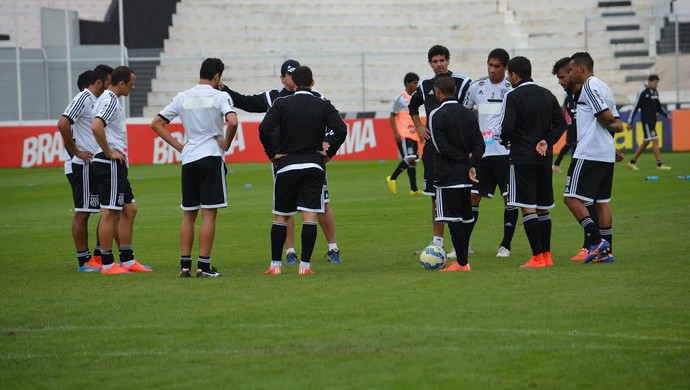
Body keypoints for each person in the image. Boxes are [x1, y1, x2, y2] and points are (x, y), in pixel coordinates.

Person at [221, 59, 344, 265]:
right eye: (288, 74)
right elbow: (246, 102)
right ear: (283, 78)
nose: (291, 77)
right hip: (283, 162)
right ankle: (290, 252)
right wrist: (225, 90)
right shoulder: (273, 97)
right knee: (286, 209)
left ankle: (333, 248)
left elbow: (335, 126)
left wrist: (326, 144)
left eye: (295, 73)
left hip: (309, 159)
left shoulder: (317, 98)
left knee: (322, 204)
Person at [150, 58, 239, 278]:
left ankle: (185, 266)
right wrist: (226, 143)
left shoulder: (183, 96)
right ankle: (204, 266)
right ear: (217, 76)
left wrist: (180, 146)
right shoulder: (219, 95)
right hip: (210, 155)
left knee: (188, 214)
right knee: (209, 214)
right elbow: (233, 122)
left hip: (189, 157)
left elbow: (156, 123)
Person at [258, 66, 347, 275]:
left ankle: (275, 265)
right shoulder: (323, 104)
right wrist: (330, 152)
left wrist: (272, 153)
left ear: (294, 84)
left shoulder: (281, 103)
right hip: (314, 165)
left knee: (280, 216)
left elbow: (263, 129)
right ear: (313, 83)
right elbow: (341, 128)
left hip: (287, 165)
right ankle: (305, 267)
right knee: (309, 216)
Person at [499, 56, 566, 268]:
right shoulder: (547, 94)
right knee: (543, 208)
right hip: (544, 158)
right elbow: (561, 123)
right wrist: (547, 140)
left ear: (514, 75)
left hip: (521, 158)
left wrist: (506, 141)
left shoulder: (513, 96)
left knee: (527, 208)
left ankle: (537, 257)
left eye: (509, 74)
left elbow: (507, 127)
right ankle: (547, 256)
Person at [408, 44, 472, 258]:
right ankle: (437, 243)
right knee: (434, 195)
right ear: (430, 64)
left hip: (458, 148)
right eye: (435, 61)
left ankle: (464, 242)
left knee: (461, 194)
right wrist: (418, 126)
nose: (439, 65)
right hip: (433, 150)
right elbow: (412, 107)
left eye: (442, 60)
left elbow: (473, 106)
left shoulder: (462, 82)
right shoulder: (425, 85)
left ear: (448, 60)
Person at [564, 52, 623, 264]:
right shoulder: (604, 86)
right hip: (605, 152)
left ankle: (597, 242)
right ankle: (607, 253)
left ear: (581, 68)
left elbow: (607, 117)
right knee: (601, 202)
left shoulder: (589, 86)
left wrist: (607, 124)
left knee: (570, 197)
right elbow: (617, 123)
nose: (570, 74)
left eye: (571, 70)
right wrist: (610, 135)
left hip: (589, 151)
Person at [91, 65, 152, 274]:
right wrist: (108, 152)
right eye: (132, 84)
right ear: (122, 83)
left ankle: (127, 260)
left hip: (117, 164)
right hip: (110, 163)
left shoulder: (111, 100)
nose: (134, 88)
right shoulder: (109, 99)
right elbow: (96, 126)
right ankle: (107, 264)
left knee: (129, 209)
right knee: (110, 212)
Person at [58, 65, 113, 272]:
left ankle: (97, 257)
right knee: (83, 212)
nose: (110, 86)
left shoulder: (98, 101)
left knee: (105, 209)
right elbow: (63, 124)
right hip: (84, 165)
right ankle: (83, 261)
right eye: (108, 82)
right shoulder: (83, 98)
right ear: (99, 82)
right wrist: (76, 153)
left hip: (96, 164)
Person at [462, 48, 517, 258]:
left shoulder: (512, 87)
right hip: (483, 153)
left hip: (506, 153)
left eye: (497, 66)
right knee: (473, 197)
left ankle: (505, 245)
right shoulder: (477, 87)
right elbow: (464, 113)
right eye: (490, 65)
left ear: (505, 67)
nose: (492, 70)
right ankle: (464, 244)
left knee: (509, 199)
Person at [428, 76, 485, 271]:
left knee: (452, 219)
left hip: (447, 176)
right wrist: (471, 162)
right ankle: (462, 259)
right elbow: (480, 144)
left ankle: (461, 263)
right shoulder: (469, 114)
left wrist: (463, 160)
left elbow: (440, 147)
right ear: (454, 90)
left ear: (437, 91)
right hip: (466, 176)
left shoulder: (436, 113)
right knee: (466, 218)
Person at [551, 57, 603, 262]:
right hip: (581, 150)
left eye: (563, 76)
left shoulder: (587, 92)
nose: (560, 81)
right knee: (586, 200)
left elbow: (603, 118)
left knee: (575, 198)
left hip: (589, 152)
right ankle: (595, 246)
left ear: (573, 73)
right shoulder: (570, 97)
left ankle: (595, 243)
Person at [625, 74, 673, 171]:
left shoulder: (654, 92)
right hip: (646, 121)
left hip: (653, 121)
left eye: (657, 83)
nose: (656, 85)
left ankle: (631, 162)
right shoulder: (643, 92)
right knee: (655, 139)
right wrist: (630, 121)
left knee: (646, 142)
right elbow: (635, 107)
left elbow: (658, 107)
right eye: (655, 83)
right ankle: (659, 164)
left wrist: (666, 115)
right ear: (650, 82)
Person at [386, 72, 421, 195]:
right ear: (407, 84)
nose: (417, 86)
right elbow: (391, 116)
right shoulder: (400, 97)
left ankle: (414, 189)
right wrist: (395, 132)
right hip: (404, 133)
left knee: (413, 161)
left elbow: (414, 116)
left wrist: (419, 131)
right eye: (415, 83)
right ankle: (392, 178)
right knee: (410, 158)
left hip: (414, 133)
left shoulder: (416, 97)